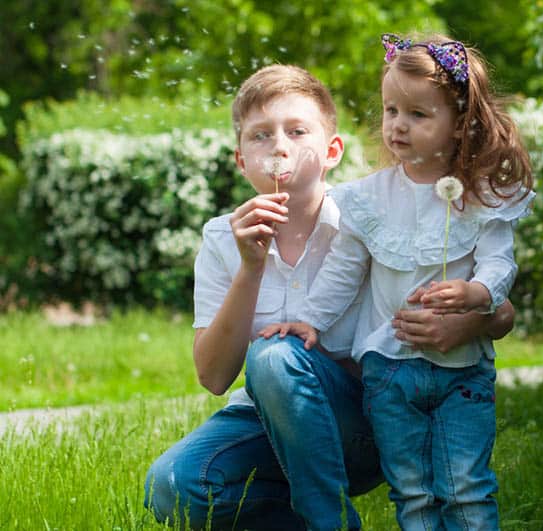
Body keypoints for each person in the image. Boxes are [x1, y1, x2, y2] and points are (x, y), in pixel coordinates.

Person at [144, 64, 516, 531]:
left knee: (276, 356)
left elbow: (502, 310)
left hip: (376, 416)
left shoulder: (372, 214)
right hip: (269, 422)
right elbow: (215, 376)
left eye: (297, 131)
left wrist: (467, 323)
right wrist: (251, 266)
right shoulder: (224, 239)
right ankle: (316, 512)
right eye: (259, 135)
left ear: (332, 151)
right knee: (174, 487)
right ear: (240, 159)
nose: (279, 145)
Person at [262, 34, 535, 530]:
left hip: (462, 373)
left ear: (459, 126)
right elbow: (344, 269)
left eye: (418, 114)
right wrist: (311, 320)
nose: (398, 126)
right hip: (388, 371)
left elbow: (500, 261)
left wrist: (477, 294)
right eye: (391, 111)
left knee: (466, 488)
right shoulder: (369, 198)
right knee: (412, 492)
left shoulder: (481, 195)